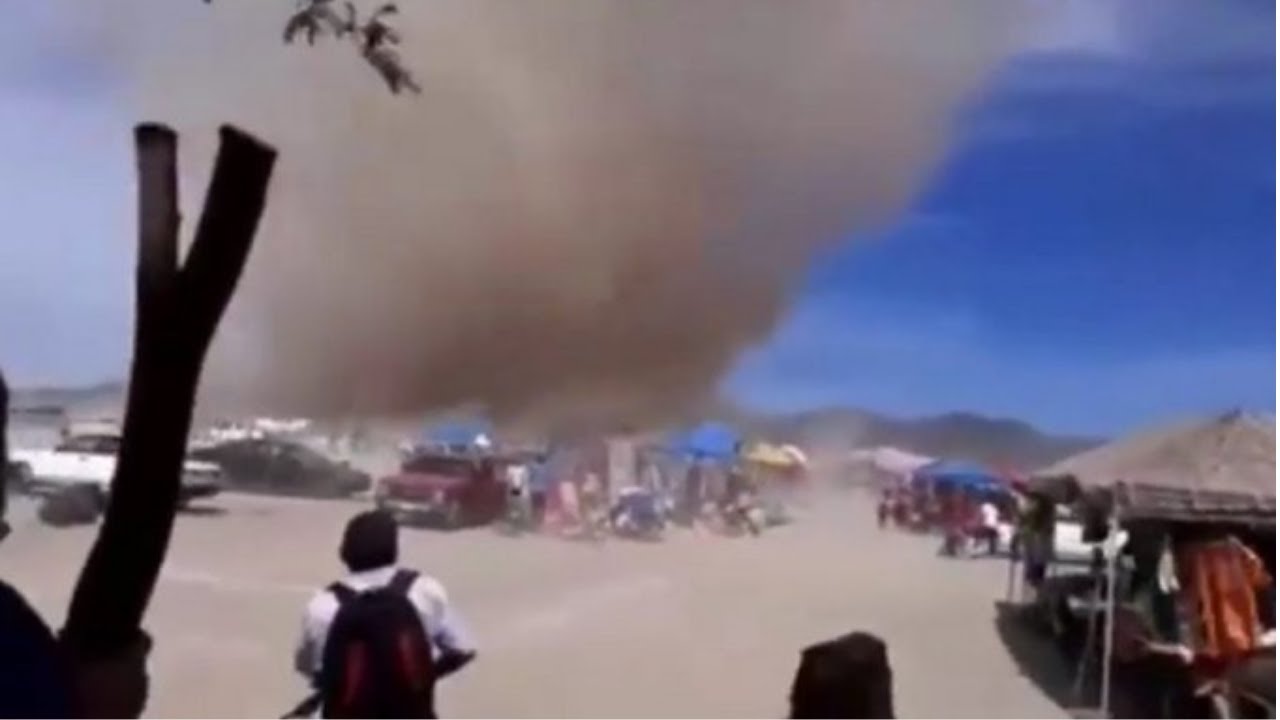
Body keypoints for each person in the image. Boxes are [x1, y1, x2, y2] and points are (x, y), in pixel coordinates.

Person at [294, 510, 475, 718]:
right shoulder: (425, 590)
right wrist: (422, 676)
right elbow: (462, 649)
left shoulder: (321, 606)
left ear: (344, 553)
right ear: (394, 550)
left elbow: (307, 667)